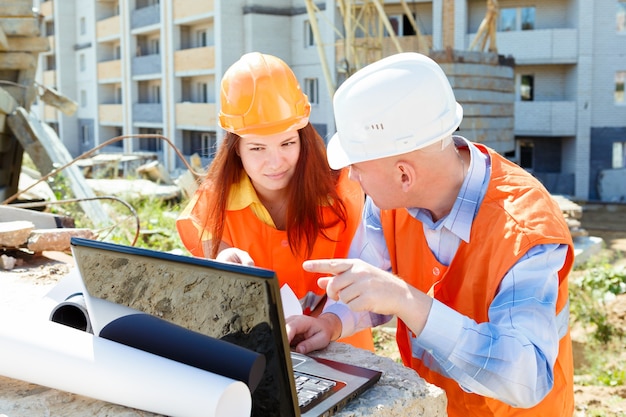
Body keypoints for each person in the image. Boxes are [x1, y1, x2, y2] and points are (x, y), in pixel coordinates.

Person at [285, 52, 575, 416]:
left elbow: (526, 377)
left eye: (357, 167)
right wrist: (331, 321)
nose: (352, 179)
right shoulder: (388, 201)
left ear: (404, 175)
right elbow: (371, 285)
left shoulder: (525, 231)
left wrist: (408, 300)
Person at [176, 52, 375, 351]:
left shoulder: (345, 191)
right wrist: (223, 264)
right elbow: (217, 273)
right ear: (237, 149)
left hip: (342, 345)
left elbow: (369, 268)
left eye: (287, 143)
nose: (275, 162)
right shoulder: (212, 203)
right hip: (258, 351)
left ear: (303, 139)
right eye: (257, 148)